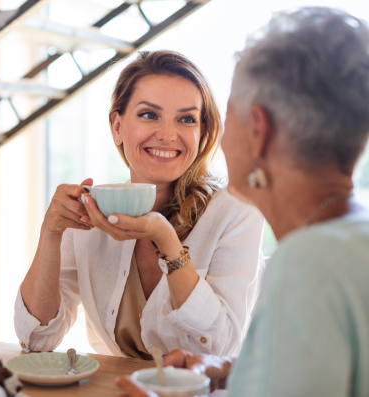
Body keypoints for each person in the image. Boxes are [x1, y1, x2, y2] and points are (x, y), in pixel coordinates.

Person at [117, 6, 369, 396]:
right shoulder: (349, 241)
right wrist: (231, 370)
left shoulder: (308, 263)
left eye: (226, 115)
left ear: (259, 130)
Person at [14, 50, 265, 359]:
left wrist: (168, 244)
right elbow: (37, 339)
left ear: (201, 133)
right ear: (117, 126)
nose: (168, 135)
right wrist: (50, 234)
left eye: (186, 119)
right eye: (149, 115)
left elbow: (221, 347)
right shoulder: (90, 212)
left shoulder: (236, 213)